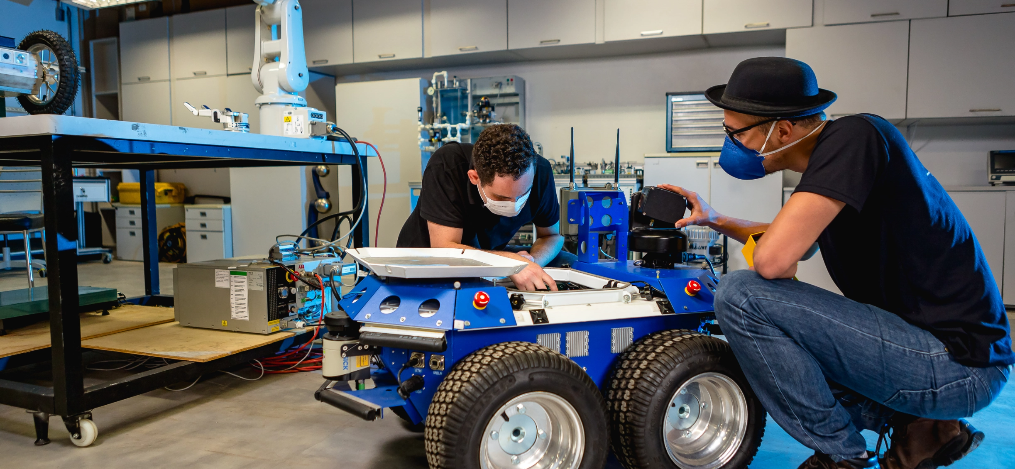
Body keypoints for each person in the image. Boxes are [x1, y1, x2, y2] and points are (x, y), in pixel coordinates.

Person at [665, 57, 1012, 469]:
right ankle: (925, 429)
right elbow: (791, 241)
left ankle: (840, 455)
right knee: (767, 348)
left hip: (959, 366)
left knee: (741, 295)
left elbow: (776, 260)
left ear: (782, 130)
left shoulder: (855, 136)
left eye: (734, 132)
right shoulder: (843, 158)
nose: (730, 143)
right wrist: (714, 218)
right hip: (933, 354)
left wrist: (768, 252)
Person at [397, 123, 574, 291]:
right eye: (502, 197)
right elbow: (445, 249)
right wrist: (511, 262)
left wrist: (532, 262)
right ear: (474, 178)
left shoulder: (540, 171)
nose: (514, 204)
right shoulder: (447, 165)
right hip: (431, 260)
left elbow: (551, 237)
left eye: (522, 195)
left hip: (488, 253)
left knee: (568, 260)